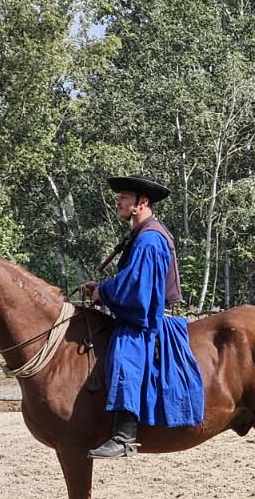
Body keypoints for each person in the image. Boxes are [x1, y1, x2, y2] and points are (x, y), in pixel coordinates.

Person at [80, 175, 205, 458]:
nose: (118, 202)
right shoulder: (141, 236)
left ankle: (124, 436)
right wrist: (102, 288)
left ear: (142, 203)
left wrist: (102, 291)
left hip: (149, 319)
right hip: (145, 313)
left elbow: (137, 289)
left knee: (126, 355)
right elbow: (131, 281)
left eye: (124, 197)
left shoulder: (149, 240)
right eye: (119, 197)